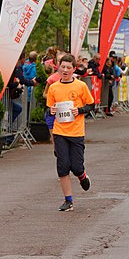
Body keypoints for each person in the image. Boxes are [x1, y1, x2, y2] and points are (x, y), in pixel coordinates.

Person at [46, 54, 95, 212]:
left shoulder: (80, 86)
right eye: (63, 67)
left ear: (74, 69)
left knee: (76, 166)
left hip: (76, 132)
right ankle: (68, 200)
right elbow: (48, 109)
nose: (65, 70)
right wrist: (51, 110)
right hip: (60, 131)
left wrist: (79, 110)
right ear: (58, 68)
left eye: (68, 67)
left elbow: (91, 105)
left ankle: (82, 176)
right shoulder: (54, 88)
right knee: (63, 166)